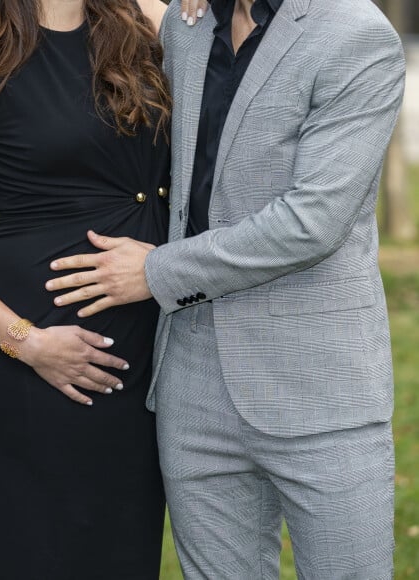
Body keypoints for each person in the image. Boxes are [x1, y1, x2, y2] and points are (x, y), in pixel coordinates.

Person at [46, 0, 407, 577]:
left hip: (319, 389)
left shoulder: (357, 35)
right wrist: (9, 308)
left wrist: (156, 273)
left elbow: (311, 223)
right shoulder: (184, 27)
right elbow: (113, 162)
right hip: (192, 389)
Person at [0, 0, 206, 577]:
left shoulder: (144, 23)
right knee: (36, 554)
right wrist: (23, 341)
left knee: (122, 554)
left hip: (150, 347)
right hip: (41, 350)